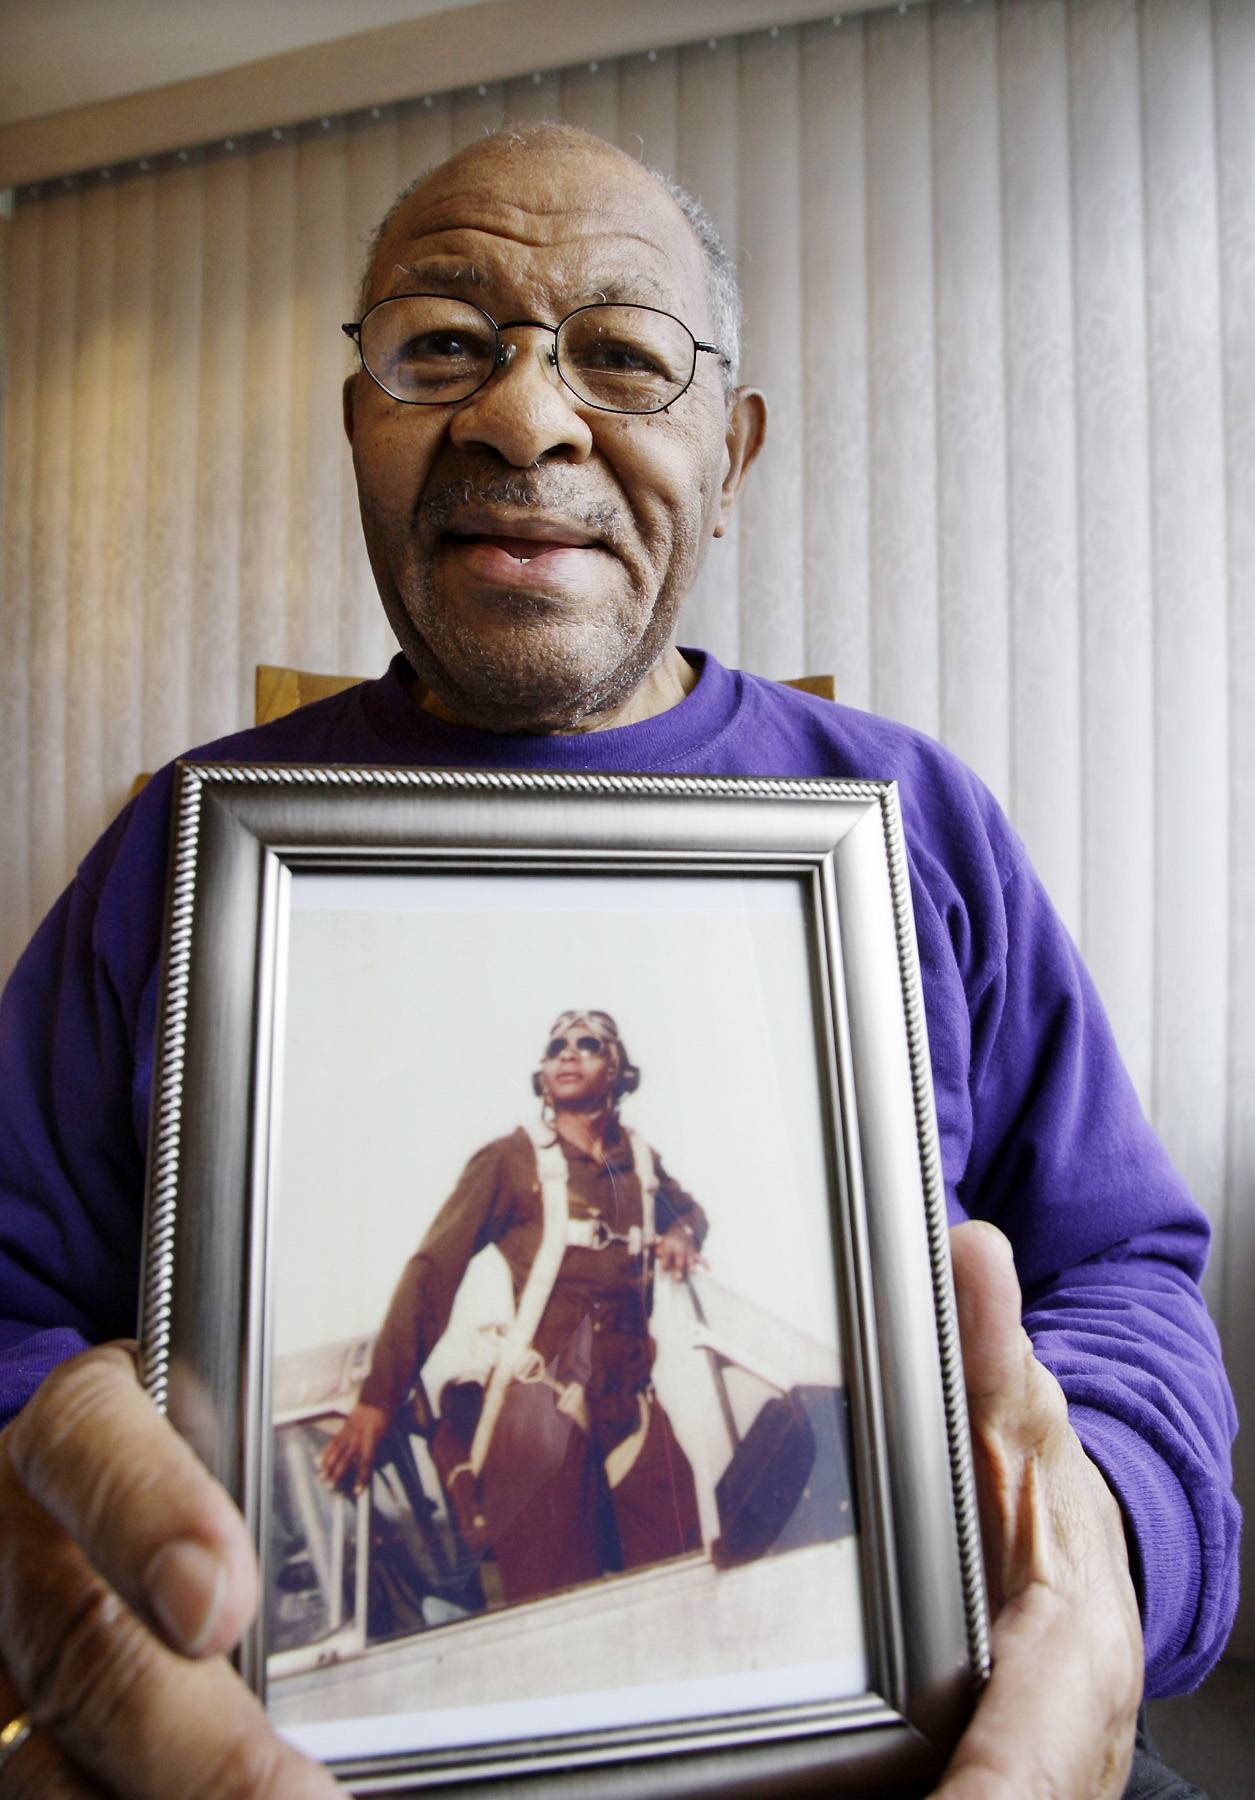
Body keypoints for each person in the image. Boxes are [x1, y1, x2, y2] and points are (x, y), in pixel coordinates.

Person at [0, 121, 1237, 1799]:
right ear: (359, 425)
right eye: (441, 345)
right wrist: (36, 1547)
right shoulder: (181, 856)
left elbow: (1122, 1271)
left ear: (730, 453)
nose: (521, 418)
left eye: (623, 356)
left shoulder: (914, 820)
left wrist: (1102, 1544)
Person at [321, 1009, 705, 1603]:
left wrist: (682, 1234)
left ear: (617, 1070)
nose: (567, 1054)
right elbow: (433, 1271)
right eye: (555, 1048)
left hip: (631, 1410)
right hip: (545, 1418)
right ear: (543, 1076)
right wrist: (377, 1400)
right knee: (558, 1611)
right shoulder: (511, 1162)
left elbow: (689, 1212)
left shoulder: (641, 1165)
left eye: (587, 1044)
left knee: (690, 1584)